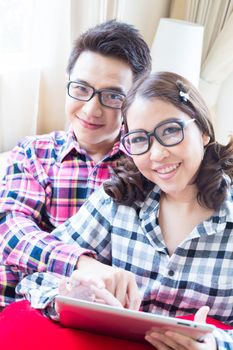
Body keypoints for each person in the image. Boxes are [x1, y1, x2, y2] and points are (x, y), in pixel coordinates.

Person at [16, 71, 233, 349]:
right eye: (140, 139)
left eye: (170, 131)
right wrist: (77, 298)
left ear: (203, 131)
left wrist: (218, 345)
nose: (156, 154)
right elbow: (36, 275)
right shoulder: (116, 201)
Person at [0, 19, 151, 308]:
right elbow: (9, 229)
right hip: (26, 305)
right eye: (81, 89)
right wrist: (81, 263)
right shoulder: (35, 152)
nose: (91, 109)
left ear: (133, 100)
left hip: (109, 314)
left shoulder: (147, 162)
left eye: (112, 96)